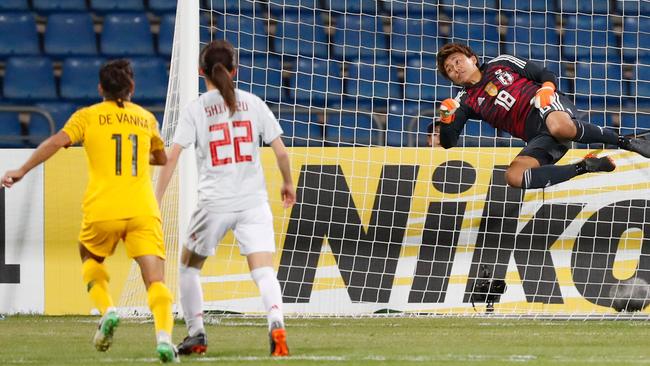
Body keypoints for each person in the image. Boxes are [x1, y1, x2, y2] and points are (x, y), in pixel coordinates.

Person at [1, 60, 178, 363]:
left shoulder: (87, 117)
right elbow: (160, 159)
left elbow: (57, 142)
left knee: (89, 256)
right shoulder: (146, 118)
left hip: (102, 209)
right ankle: (163, 340)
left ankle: (107, 309)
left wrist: (22, 169)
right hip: (142, 209)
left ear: (100, 88)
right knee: (156, 280)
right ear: (132, 88)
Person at [155, 40, 296, 357]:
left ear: (200, 71)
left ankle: (197, 334)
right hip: (252, 201)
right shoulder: (253, 102)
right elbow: (282, 152)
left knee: (189, 268)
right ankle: (276, 320)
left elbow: (171, 158)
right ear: (236, 70)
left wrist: (156, 200)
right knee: (263, 271)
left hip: (214, 202)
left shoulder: (196, 109)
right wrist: (288, 184)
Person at [435, 43, 650, 189]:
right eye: (449, 69)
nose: (455, 68)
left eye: (457, 61)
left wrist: (547, 88)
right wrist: (446, 118)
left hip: (548, 106)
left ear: (472, 59)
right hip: (538, 136)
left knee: (558, 126)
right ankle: (586, 166)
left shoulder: (501, 63)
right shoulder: (462, 102)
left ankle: (627, 141)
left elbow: (542, 73)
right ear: (451, 79)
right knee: (514, 177)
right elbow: (448, 142)